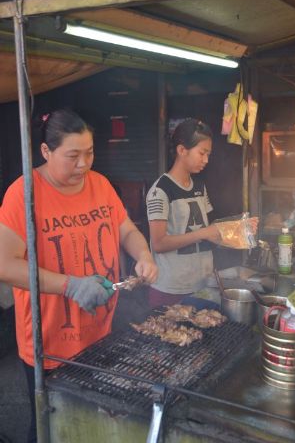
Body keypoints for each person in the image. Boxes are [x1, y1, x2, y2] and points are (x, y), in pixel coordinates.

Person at [0, 109, 157, 442]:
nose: (84, 164)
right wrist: (69, 285)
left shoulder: (99, 185)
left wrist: (143, 254)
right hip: (49, 344)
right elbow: (4, 264)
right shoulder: (23, 192)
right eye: (73, 156)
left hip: (100, 335)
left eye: (89, 153)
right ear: (46, 152)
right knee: (50, 430)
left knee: (90, 425)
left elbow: (127, 230)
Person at [146, 117, 258, 308]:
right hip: (171, 289)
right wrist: (204, 233)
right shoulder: (160, 191)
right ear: (182, 150)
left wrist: (238, 231)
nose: (206, 160)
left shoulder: (199, 186)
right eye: (202, 153)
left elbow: (209, 232)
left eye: (208, 154)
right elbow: (158, 243)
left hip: (202, 284)